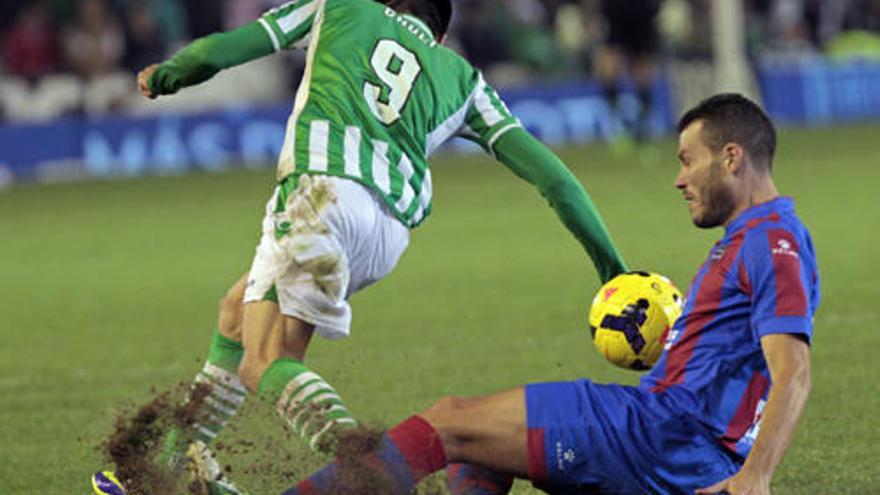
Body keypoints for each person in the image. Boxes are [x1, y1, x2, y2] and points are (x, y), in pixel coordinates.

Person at [95, 0, 629, 493]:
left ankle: (369, 467)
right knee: (236, 314)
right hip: (386, 234)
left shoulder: (342, 7)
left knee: (264, 360)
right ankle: (166, 464)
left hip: (320, 193)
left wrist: (167, 75)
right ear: (438, 33)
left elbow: (225, 48)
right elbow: (557, 180)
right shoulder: (462, 79)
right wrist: (613, 270)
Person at [280, 93, 820, 495]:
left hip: (659, 435)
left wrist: (756, 477)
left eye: (687, 159)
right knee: (482, 455)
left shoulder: (771, 242)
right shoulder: (757, 237)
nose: (679, 179)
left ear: (731, 157)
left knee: (449, 423)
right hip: (669, 438)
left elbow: (792, 369)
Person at [596, 0, 663, 145]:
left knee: (642, 71)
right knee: (610, 69)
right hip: (617, 13)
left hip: (641, 13)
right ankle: (617, 122)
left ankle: (643, 125)